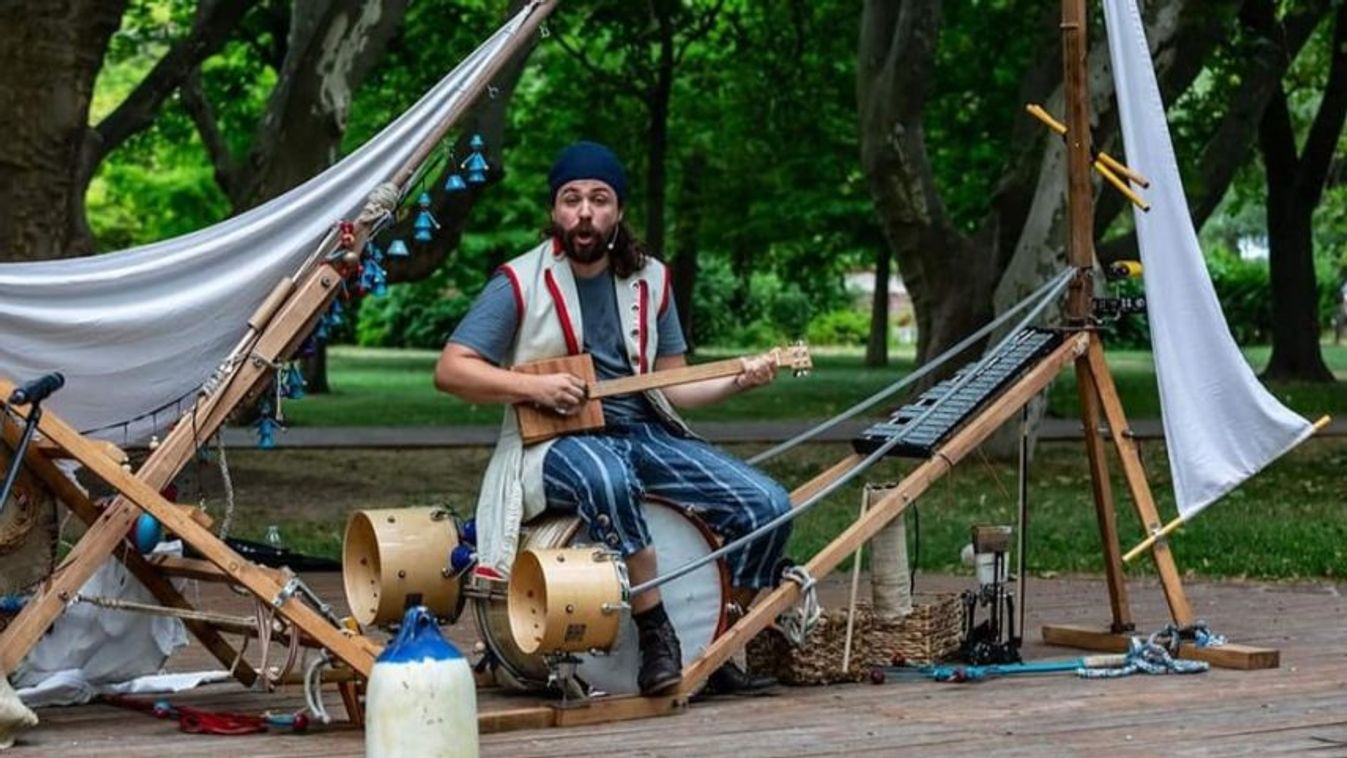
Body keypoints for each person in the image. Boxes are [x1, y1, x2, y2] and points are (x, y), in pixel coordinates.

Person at [435, 141, 791, 696]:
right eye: (571, 199)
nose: (584, 211)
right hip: (551, 445)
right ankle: (656, 631)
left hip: (642, 431)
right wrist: (533, 386)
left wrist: (740, 378)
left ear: (617, 211)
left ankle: (717, 641)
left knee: (765, 505)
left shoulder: (653, 279)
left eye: (599, 199)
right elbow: (452, 370)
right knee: (608, 477)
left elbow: (675, 386)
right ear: (555, 211)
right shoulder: (518, 281)